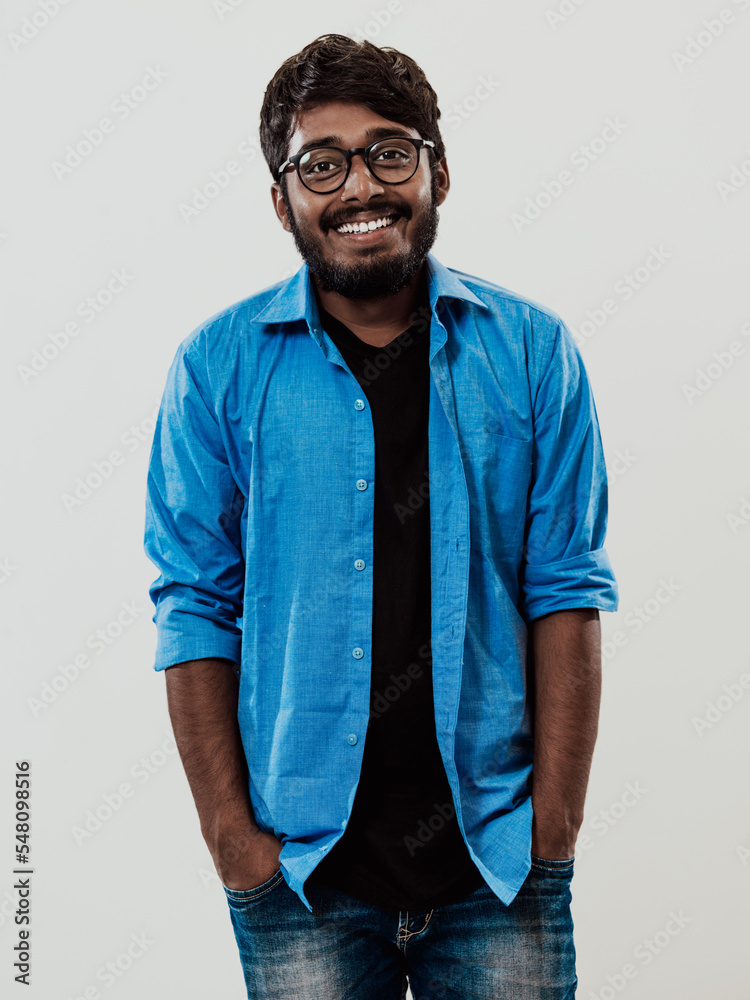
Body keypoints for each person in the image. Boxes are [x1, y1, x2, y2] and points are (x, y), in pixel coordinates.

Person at [144, 33, 619, 1000]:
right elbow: (194, 604)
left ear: (437, 171)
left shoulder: (531, 354)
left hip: (498, 868)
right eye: (322, 163)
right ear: (284, 199)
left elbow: (565, 588)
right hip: (303, 877)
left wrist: (553, 829)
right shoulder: (217, 369)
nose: (360, 186)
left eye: (389, 151)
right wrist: (237, 845)